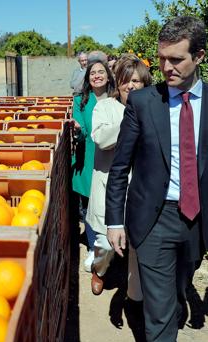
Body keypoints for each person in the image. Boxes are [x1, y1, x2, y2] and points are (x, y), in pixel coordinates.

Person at [106, 16, 207, 342]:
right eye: (162, 58)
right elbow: (120, 166)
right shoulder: (144, 102)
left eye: (176, 59)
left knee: (177, 290)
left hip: (198, 221)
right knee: (161, 314)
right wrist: (115, 221)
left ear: (200, 57)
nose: (166, 67)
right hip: (154, 219)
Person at [87, 54, 152, 297]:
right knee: (104, 243)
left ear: (145, 84)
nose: (131, 86)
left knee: (136, 245)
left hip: (140, 192)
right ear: (118, 84)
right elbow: (102, 139)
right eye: (125, 81)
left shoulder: (153, 111)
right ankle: (99, 270)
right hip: (108, 189)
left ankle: (135, 298)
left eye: (136, 81)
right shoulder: (105, 107)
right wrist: (132, 117)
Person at [72, 59, 115, 272]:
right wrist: (78, 130)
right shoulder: (80, 101)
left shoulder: (118, 99)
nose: (97, 75)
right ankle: (93, 247)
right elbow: (80, 133)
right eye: (92, 73)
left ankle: (112, 244)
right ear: (87, 78)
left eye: (101, 72)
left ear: (108, 76)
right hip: (89, 158)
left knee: (111, 203)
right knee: (90, 206)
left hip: (114, 159)